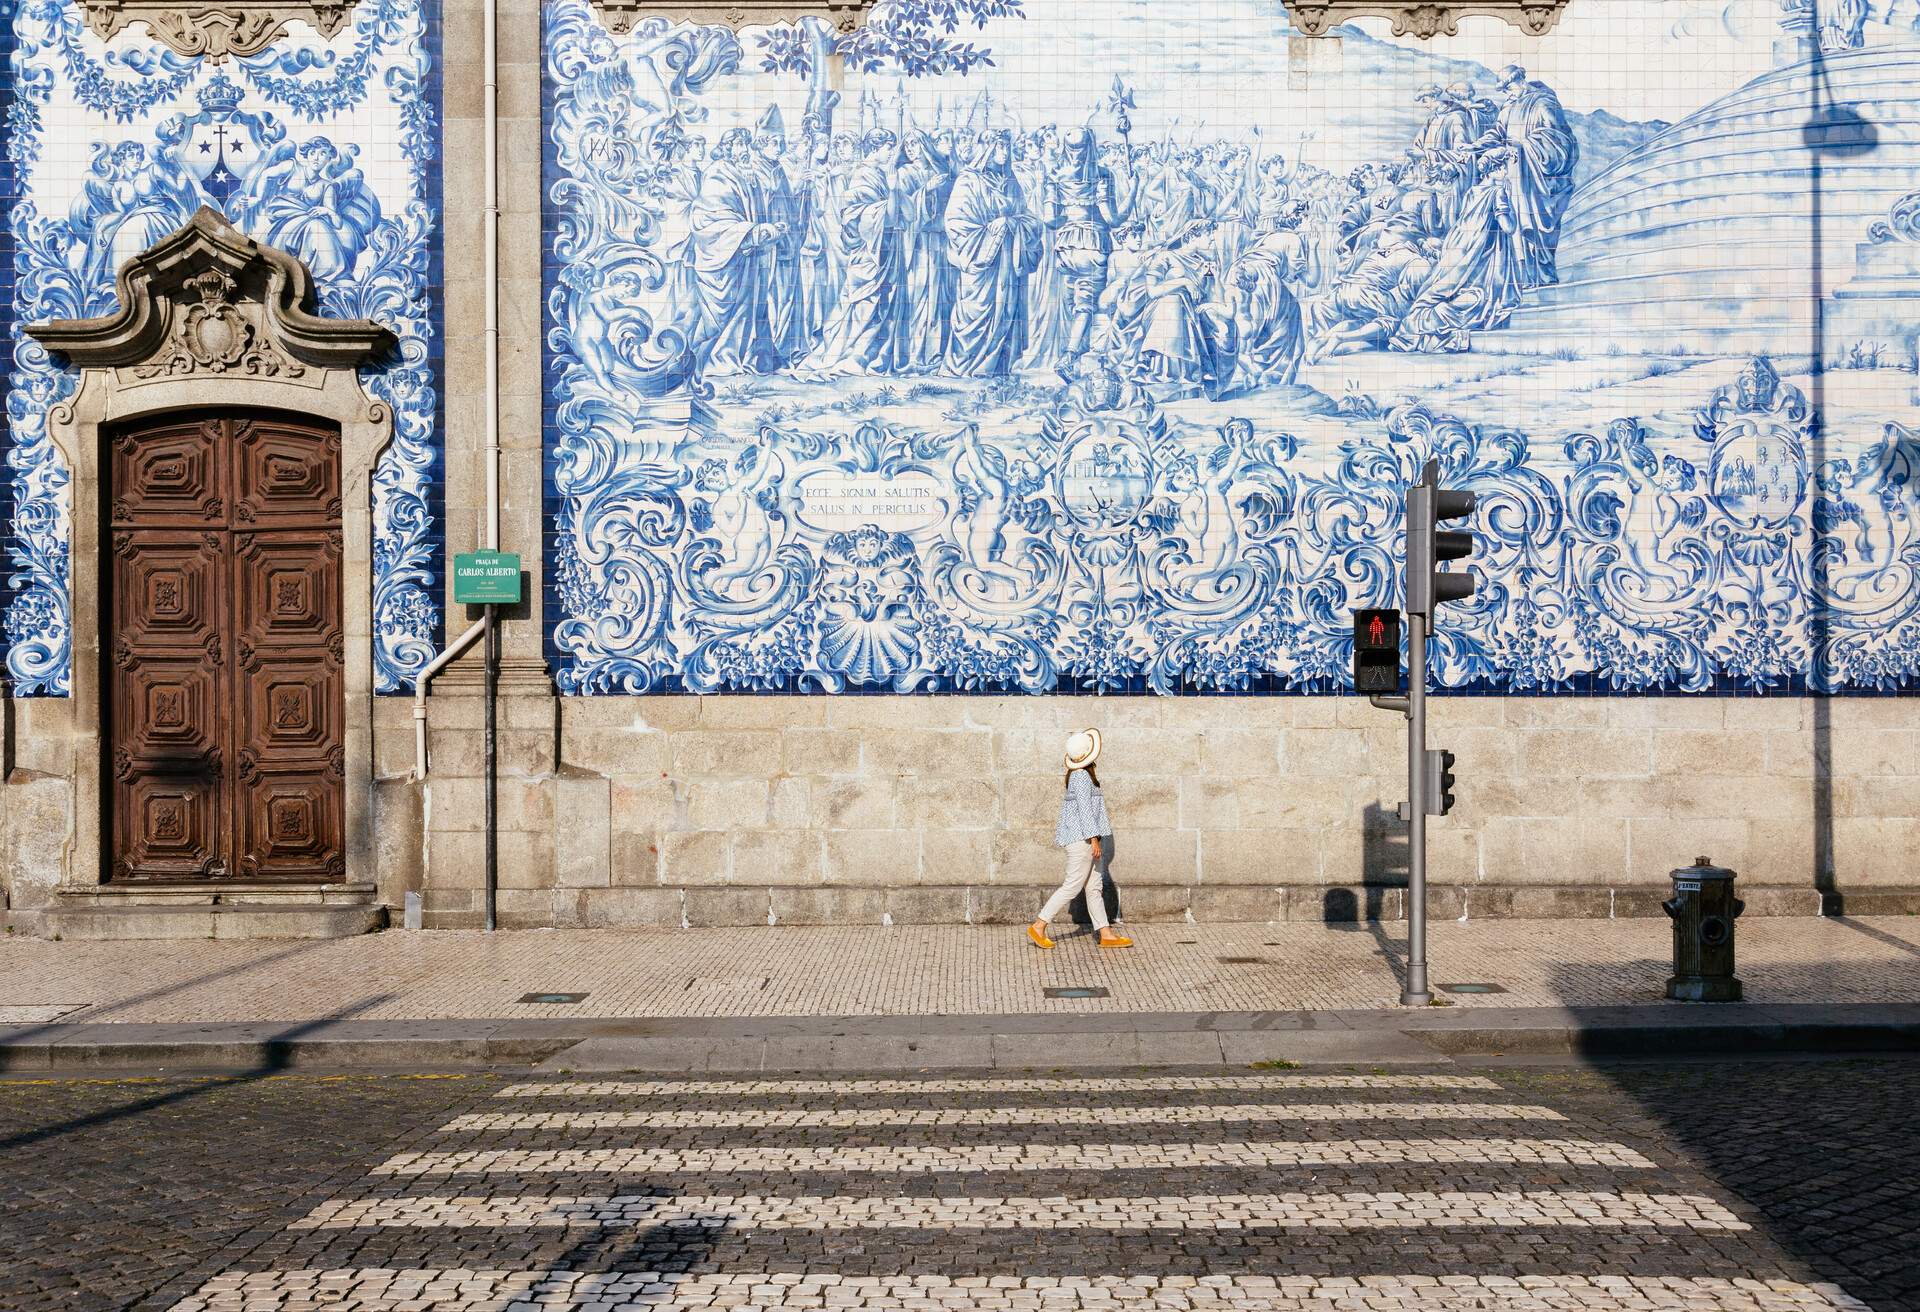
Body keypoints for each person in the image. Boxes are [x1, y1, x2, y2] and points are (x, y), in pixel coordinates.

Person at [1029, 729, 1133, 950]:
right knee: (1072, 885)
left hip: (1089, 838)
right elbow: (1085, 811)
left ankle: (1105, 933)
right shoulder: (1081, 777)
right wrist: (1094, 840)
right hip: (1083, 840)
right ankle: (1039, 924)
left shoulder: (1081, 776)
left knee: (1094, 887)